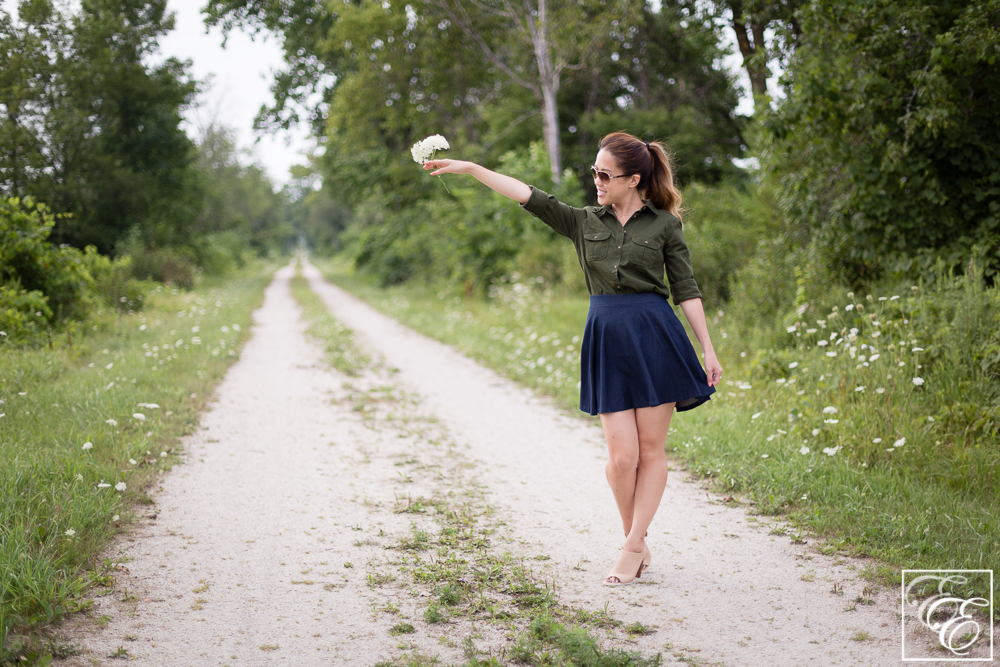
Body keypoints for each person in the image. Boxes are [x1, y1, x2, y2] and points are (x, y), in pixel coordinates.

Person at [423, 131, 722, 586]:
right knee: (622, 458)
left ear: (633, 179)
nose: (596, 181)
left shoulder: (664, 225)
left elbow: (686, 290)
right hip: (607, 337)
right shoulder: (584, 222)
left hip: (656, 336)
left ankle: (631, 547)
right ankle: (635, 539)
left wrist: (708, 348)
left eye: (605, 174)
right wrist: (471, 170)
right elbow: (527, 195)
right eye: (594, 172)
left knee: (650, 451)